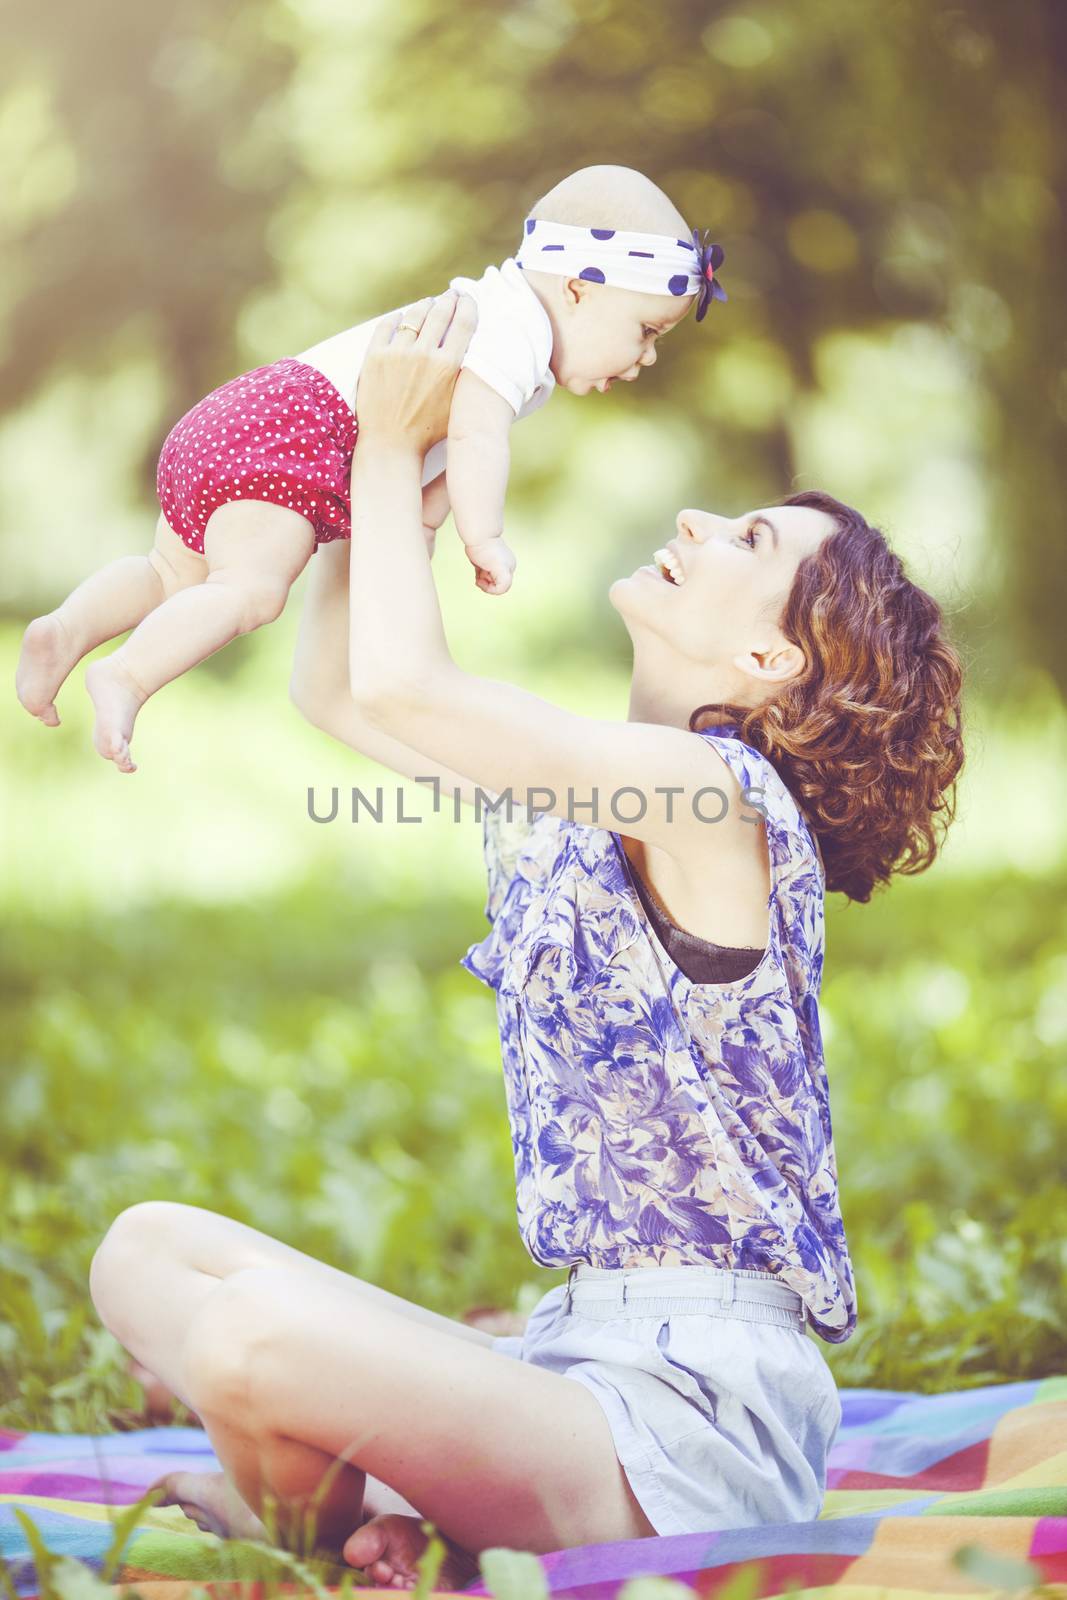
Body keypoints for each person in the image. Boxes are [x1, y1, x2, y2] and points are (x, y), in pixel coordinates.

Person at [87, 291, 964, 1589]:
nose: (692, 524)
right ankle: (377, 1497)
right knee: (143, 1250)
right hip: (567, 1355)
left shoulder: (716, 802)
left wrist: (386, 452)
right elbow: (333, 688)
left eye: (745, 537)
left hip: (688, 1420)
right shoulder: (594, 788)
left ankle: (338, 1510)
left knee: (242, 1342)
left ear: (768, 652)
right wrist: (363, 502)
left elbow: (404, 685)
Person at [14, 165, 724, 775]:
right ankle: (127, 675)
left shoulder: (504, 325)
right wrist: (487, 539)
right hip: (288, 440)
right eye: (645, 331)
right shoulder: (511, 333)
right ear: (577, 289)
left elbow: (438, 457)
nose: (645, 358)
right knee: (252, 591)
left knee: (172, 575)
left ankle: (67, 628)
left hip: (240, 419)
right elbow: (476, 443)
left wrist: (416, 524)